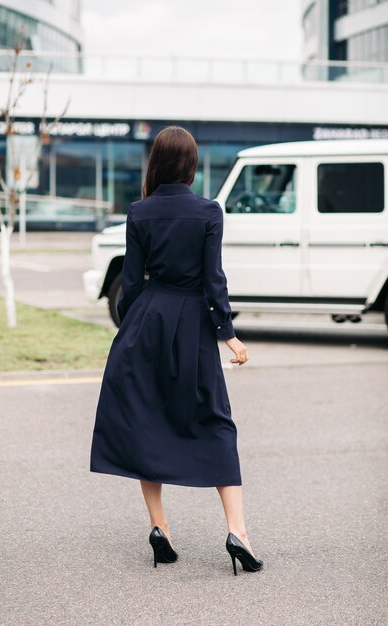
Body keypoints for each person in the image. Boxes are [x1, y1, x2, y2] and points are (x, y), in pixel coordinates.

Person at [90, 126, 263, 575]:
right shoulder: (208, 211)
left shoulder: (139, 211)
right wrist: (228, 333)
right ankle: (237, 532)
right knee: (215, 420)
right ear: (190, 164)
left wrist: (132, 329)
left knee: (146, 420)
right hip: (191, 325)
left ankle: (160, 528)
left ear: (157, 162)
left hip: (146, 320)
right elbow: (214, 280)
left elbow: (130, 281)